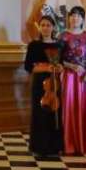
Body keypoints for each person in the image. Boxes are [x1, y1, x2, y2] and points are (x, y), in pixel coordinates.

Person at [59, 6, 86, 155]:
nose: (75, 18)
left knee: (85, 109)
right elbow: (58, 60)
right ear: (69, 18)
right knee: (68, 108)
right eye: (72, 16)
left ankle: (85, 144)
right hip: (69, 78)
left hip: (85, 79)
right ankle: (69, 144)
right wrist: (72, 66)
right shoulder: (63, 36)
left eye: (78, 16)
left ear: (82, 19)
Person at [24, 15, 64, 156]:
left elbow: (62, 64)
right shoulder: (34, 45)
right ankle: (39, 146)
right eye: (43, 25)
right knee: (40, 113)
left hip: (55, 83)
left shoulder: (59, 45)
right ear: (39, 28)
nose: (46, 28)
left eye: (48, 25)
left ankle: (54, 146)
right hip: (40, 83)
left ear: (53, 27)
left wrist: (59, 67)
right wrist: (46, 68)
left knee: (55, 113)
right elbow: (28, 67)